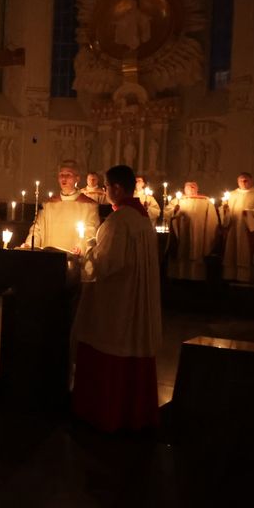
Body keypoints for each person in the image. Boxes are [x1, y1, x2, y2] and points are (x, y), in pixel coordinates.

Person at [72, 164, 162, 432]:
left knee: (108, 346)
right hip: (135, 300)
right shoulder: (142, 220)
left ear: (117, 188)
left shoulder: (119, 221)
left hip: (117, 302)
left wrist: (87, 250)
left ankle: (104, 413)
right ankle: (134, 415)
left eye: (107, 186)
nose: (105, 191)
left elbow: (106, 264)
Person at [21, 160, 99, 251]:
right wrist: (30, 245)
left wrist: (81, 248)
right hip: (48, 258)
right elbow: (37, 230)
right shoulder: (48, 205)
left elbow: (90, 233)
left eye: (68, 175)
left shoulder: (89, 206)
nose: (64, 178)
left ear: (77, 178)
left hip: (73, 258)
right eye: (61, 175)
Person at [221, 172, 254, 282]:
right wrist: (224, 210)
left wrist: (250, 213)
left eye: (246, 180)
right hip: (233, 229)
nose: (243, 183)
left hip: (248, 231)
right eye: (241, 180)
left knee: (247, 253)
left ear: (251, 181)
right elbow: (224, 213)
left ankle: (247, 278)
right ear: (237, 182)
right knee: (232, 252)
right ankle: (231, 277)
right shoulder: (232, 194)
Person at [165, 181, 219, 280]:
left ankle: (196, 278)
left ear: (197, 188)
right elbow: (167, 212)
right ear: (184, 189)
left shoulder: (205, 201)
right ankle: (179, 277)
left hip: (199, 235)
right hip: (181, 234)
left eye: (193, 186)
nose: (191, 188)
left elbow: (212, 221)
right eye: (188, 186)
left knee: (196, 253)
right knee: (181, 254)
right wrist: (174, 211)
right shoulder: (178, 200)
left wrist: (208, 238)